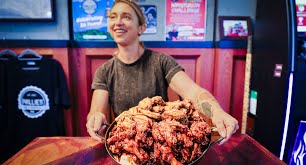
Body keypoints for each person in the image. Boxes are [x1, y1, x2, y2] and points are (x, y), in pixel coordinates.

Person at [86, 0, 239, 145]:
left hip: (162, 142)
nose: (118, 22)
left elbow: (192, 92)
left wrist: (216, 112)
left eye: (126, 17)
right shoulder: (104, 71)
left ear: (141, 28)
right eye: (113, 17)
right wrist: (96, 119)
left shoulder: (161, 61)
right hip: (127, 144)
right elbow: (97, 112)